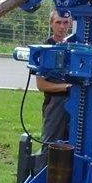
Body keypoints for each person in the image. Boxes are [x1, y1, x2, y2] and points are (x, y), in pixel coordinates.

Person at [36, 10, 73, 149]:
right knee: (51, 145)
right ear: (51, 24)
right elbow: (41, 85)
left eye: (65, 23)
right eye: (58, 22)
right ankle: (42, 168)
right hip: (55, 103)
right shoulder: (46, 49)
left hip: (75, 104)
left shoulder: (74, 45)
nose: (62, 27)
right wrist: (66, 87)